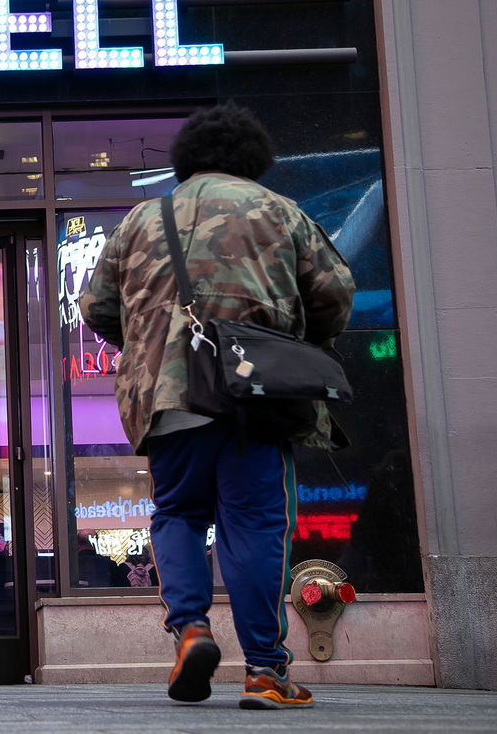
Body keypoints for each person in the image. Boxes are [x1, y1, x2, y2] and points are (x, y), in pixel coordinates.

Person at [79, 103, 354, 710]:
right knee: (254, 525)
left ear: (185, 160)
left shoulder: (142, 219)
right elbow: (335, 293)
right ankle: (265, 670)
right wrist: (297, 340)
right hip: (256, 394)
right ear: (254, 159)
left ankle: (191, 631)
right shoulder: (280, 212)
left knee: (177, 513)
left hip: (169, 398)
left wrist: (155, 345)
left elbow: (96, 307)